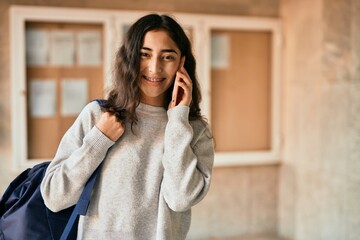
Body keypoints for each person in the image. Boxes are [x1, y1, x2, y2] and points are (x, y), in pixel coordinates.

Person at [40, 13, 214, 240]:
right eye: (144, 54)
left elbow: (181, 199)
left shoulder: (193, 130)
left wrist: (178, 119)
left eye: (167, 57)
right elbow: (54, 197)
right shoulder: (97, 116)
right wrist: (99, 139)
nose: (154, 68)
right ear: (130, 57)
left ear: (181, 62)